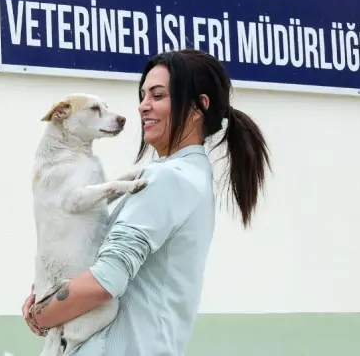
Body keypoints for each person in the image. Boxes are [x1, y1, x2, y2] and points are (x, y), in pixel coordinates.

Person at [21, 49, 271, 355]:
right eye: (143, 95)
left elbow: (104, 282)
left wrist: (40, 315)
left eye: (158, 95)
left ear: (197, 107)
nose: (143, 107)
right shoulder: (188, 176)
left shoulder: (169, 179)